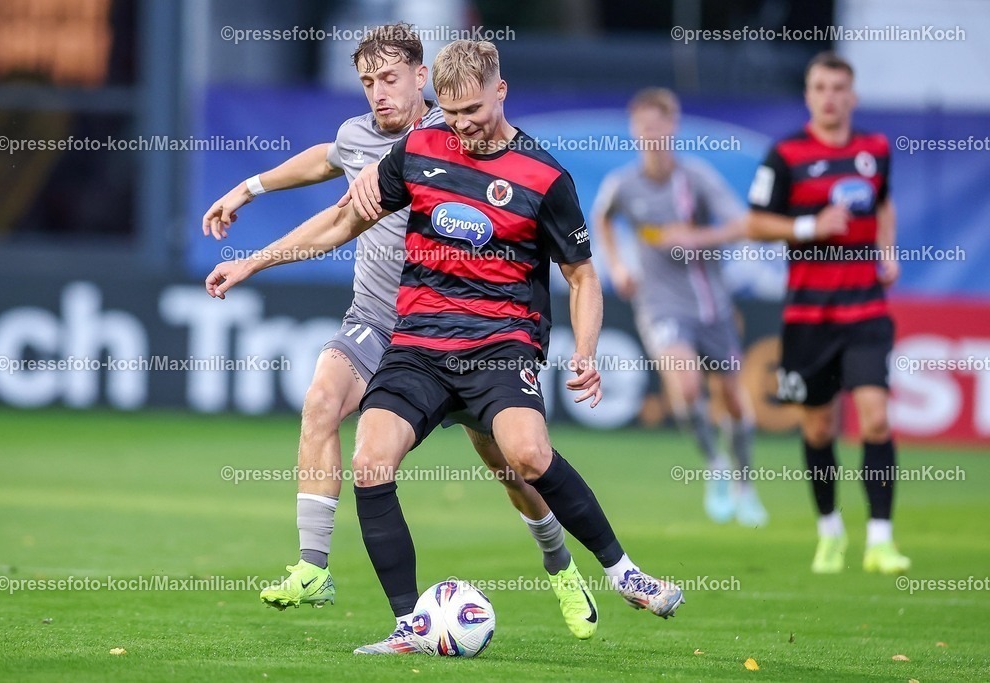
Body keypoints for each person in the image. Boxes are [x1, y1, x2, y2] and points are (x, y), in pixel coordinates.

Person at [205, 39, 685, 655]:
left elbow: (582, 276)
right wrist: (253, 263)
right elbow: (340, 220)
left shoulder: (544, 176)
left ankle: (623, 573)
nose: (461, 127)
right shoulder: (417, 149)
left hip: (500, 346)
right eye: (452, 114)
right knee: (370, 460)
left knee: (526, 457)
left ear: (501, 91)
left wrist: (586, 351)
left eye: (474, 112)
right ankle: (408, 624)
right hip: (418, 341)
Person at [746, 51, 909, 574]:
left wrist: (887, 249)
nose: (830, 96)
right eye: (821, 87)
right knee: (819, 429)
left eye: (839, 87)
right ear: (809, 94)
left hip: (865, 310)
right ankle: (830, 532)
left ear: (852, 96)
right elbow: (755, 223)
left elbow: (883, 202)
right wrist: (813, 227)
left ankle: (881, 540)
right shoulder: (786, 155)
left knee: (877, 418)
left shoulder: (875, 149)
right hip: (808, 319)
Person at [593, 88, 768, 527]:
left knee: (731, 395)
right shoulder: (624, 185)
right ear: (634, 132)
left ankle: (745, 484)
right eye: (642, 127)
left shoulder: (696, 179)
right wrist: (617, 263)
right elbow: (602, 217)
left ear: (672, 127)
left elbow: (743, 225)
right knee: (686, 388)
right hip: (660, 305)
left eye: (658, 125)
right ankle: (715, 466)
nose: (650, 135)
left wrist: (696, 237)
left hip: (712, 305)